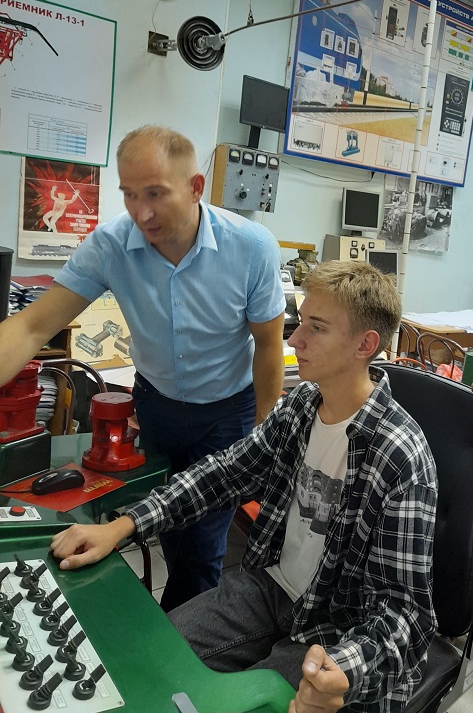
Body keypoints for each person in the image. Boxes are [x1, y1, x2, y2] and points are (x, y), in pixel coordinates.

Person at [50, 260, 438, 713]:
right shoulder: (301, 406)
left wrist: (346, 669)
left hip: (337, 628)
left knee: (244, 704)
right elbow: (225, 473)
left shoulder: (400, 455)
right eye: (300, 323)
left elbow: (405, 615)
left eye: (316, 328)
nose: (294, 340)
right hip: (271, 589)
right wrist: (123, 525)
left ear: (365, 345)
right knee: (148, 658)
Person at [0, 126, 286, 611]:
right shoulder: (111, 245)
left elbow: (268, 344)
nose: (141, 212)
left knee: (203, 544)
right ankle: (181, 620)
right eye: (130, 194)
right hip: (158, 406)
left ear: (195, 187)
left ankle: (184, 641)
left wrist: (263, 434)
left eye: (155, 194)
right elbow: (31, 326)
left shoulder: (251, 247)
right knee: (167, 522)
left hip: (227, 412)